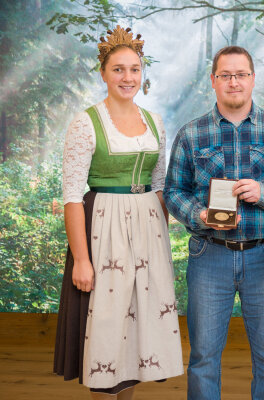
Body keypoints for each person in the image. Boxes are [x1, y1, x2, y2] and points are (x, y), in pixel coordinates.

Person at [163, 45, 264, 400]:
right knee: (203, 358)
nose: (234, 82)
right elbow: (173, 191)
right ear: (213, 81)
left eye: (241, 74)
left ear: (253, 80)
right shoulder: (191, 134)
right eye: (225, 75)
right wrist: (197, 215)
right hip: (208, 256)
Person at [53, 26, 184, 399]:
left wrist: (162, 244)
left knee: (137, 334)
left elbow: (159, 186)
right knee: (108, 326)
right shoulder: (85, 123)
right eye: (118, 69)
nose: (128, 77)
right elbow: (72, 196)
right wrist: (81, 259)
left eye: (134, 69)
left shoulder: (155, 121)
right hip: (103, 229)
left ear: (142, 73)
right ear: (103, 73)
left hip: (148, 233)